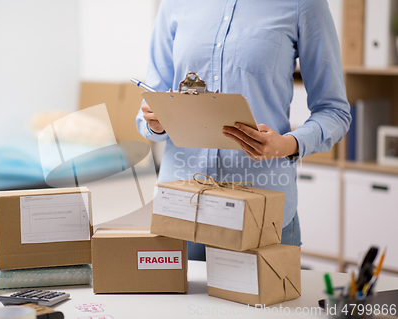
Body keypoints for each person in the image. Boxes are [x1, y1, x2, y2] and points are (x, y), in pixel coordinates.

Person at [136, 0, 351, 260]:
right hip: (180, 209)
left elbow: (335, 111)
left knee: (266, 302)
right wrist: (155, 122)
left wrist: (288, 145)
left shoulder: (303, 4)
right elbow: (152, 101)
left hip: (262, 214)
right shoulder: (175, 4)